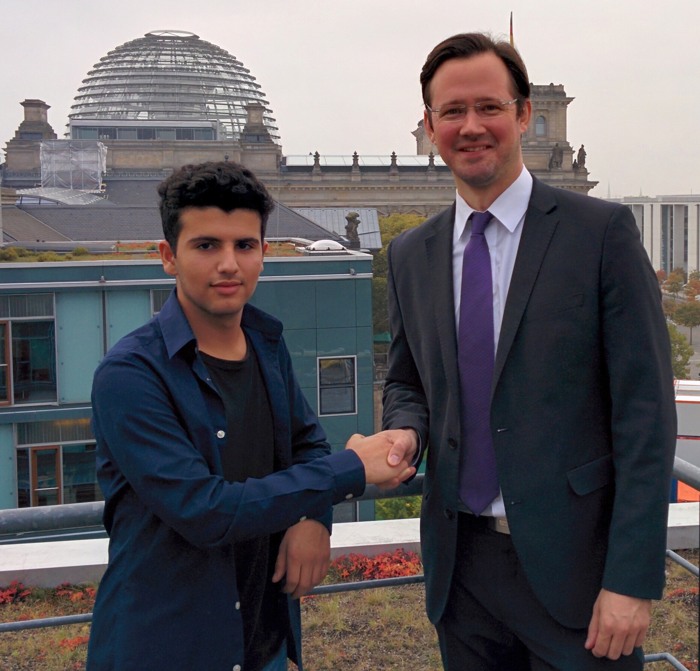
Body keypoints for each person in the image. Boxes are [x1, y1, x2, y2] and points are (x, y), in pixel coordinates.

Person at [381, 33, 676, 670]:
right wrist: (405, 430)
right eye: (451, 112)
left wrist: (632, 579)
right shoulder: (411, 254)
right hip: (462, 574)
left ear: (521, 115)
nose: (471, 126)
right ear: (429, 128)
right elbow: (406, 380)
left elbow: (646, 416)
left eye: (489, 107)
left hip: (579, 572)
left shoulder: (601, 233)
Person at [86, 160, 414, 671]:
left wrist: (313, 519)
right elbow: (205, 510)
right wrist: (350, 471)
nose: (228, 265)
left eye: (245, 245)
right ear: (168, 257)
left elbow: (305, 444)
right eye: (206, 245)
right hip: (168, 646)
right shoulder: (129, 376)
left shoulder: (266, 343)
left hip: (264, 642)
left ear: (264, 251)